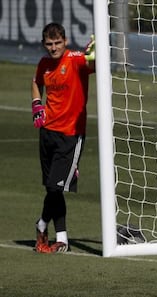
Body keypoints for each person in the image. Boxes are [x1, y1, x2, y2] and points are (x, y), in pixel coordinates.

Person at [31, 23, 95, 253]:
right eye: (49, 44)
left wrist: (94, 53)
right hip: (47, 133)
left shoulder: (75, 59)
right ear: (43, 44)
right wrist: (37, 104)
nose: (53, 48)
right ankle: (62, 239)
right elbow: (36, 83)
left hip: (70, 135)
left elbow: (91, 64)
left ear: (65, 41)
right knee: (52, 189)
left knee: (55, 186)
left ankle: (41, 223)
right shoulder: (44, 64)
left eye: (57, 43)